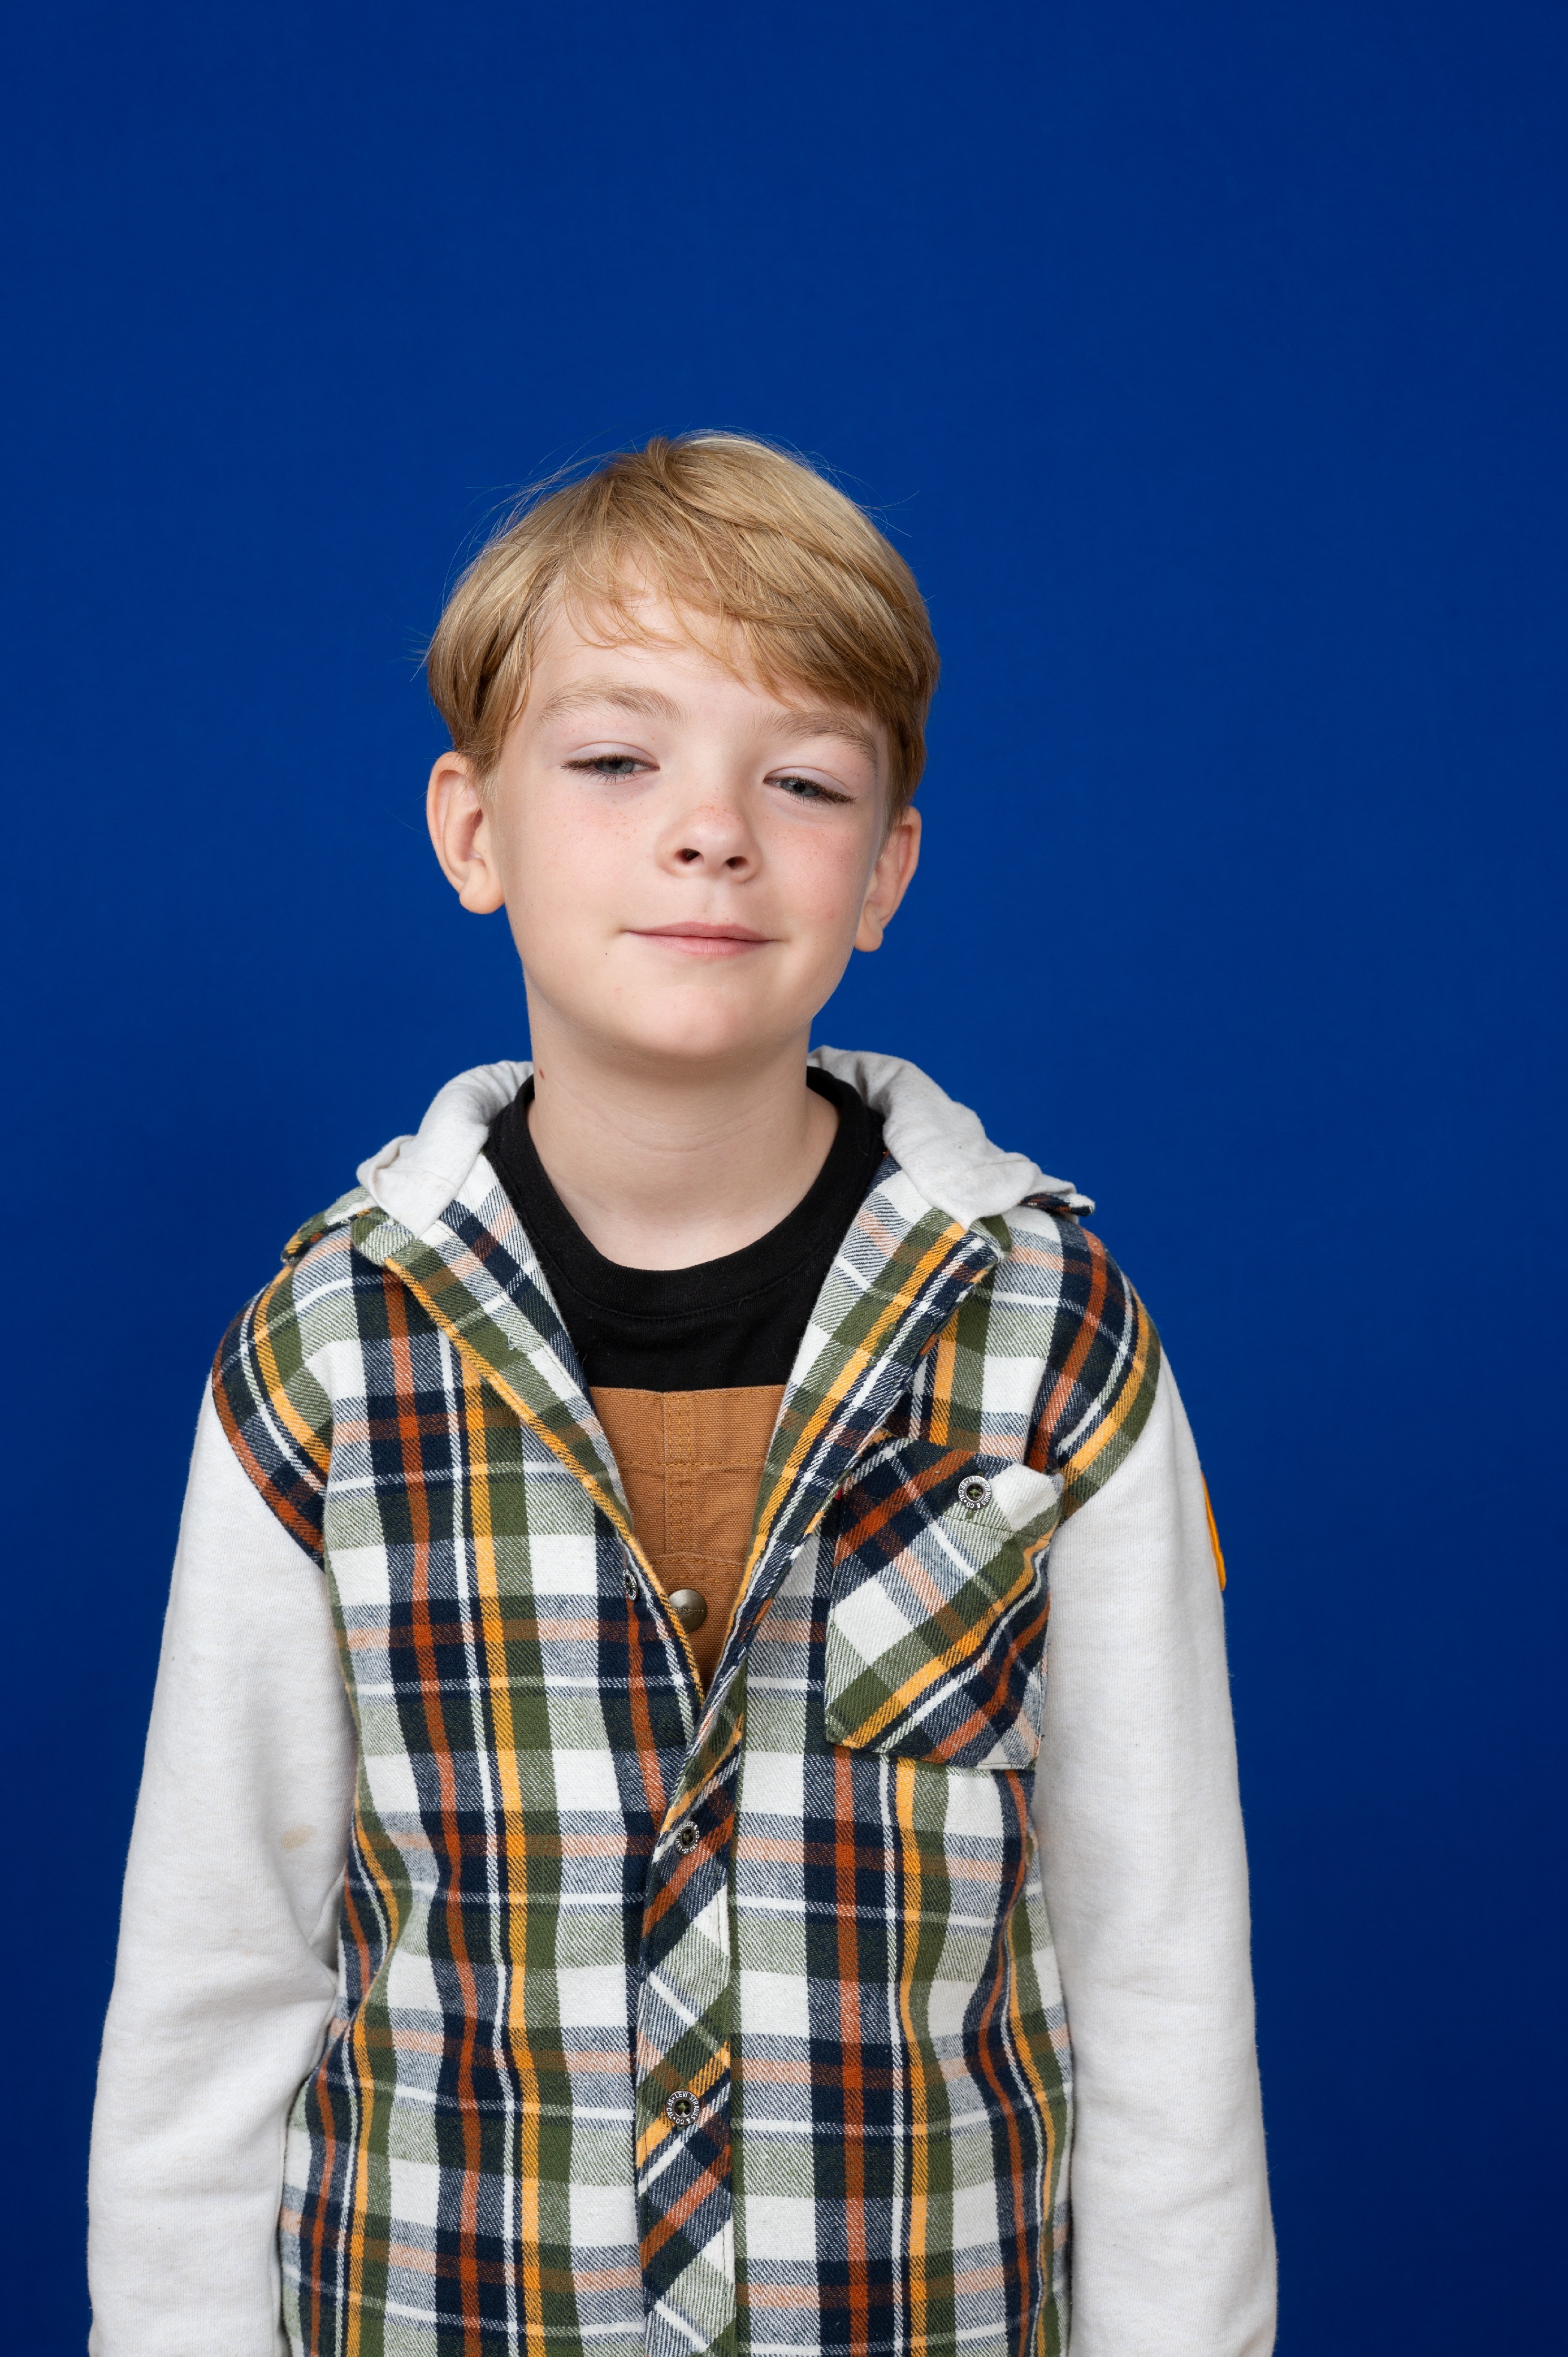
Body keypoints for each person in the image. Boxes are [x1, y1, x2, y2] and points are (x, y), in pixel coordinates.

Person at [88, 433, 1275, 2357]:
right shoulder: (323, 1359)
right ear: (473, 831)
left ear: (885, 869)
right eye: (616, 760)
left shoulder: (1055, 1343)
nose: (712, 829)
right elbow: (216, 1985)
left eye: (801, 779)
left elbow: (1159, 1977)